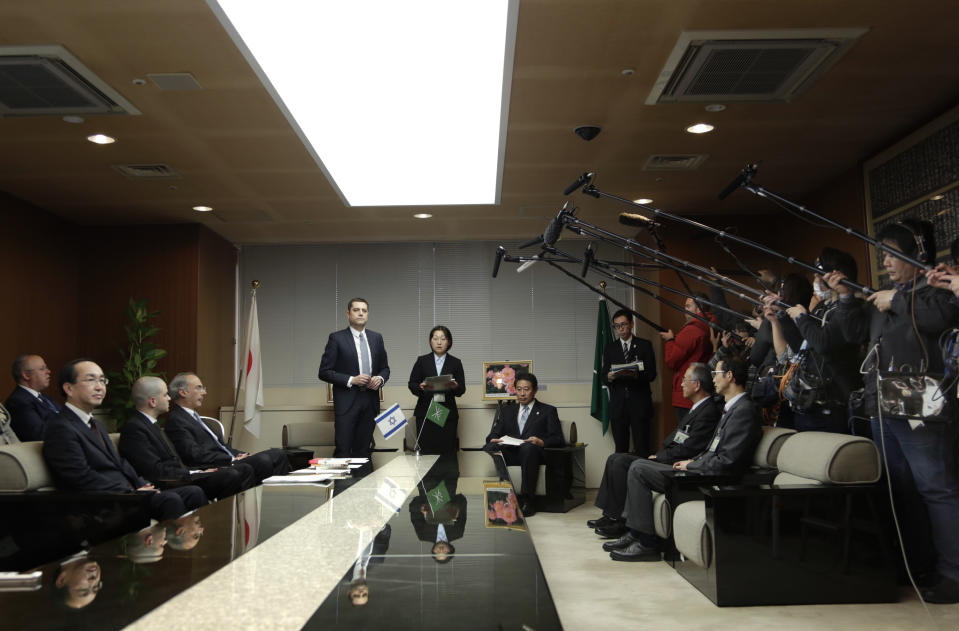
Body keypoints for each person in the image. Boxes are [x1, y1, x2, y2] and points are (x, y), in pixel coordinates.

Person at [851, 220, 959, 603]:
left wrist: (895, 301)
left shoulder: (936, 290)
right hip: (884, 402)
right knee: (901, 491)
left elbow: (938, 319)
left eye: (892, 254)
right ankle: (915, 565)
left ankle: (953, 574)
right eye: (882, 255)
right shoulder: (888, 295)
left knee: (936, 488)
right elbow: (867, 346)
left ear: (917, 254)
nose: (886, 262)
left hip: (922, 403)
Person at [604, 357, 761, 561]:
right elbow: (711, 450)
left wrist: (693, 464)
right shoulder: (731, 409)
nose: (712, 380)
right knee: (636, 465)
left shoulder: (744, 411)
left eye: (716, 374)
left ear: (729, 376)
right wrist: (693, 461)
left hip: (711, 480)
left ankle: (647, 542)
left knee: (638, 469)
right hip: (701, 469)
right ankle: (635, 533)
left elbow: (727, 461)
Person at [42, 359, 207, 522]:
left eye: (102, 380)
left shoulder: (95, 424)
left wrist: (141, 484)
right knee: (169, 500)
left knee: (194, 492)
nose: (100, 387)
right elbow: (80, 477)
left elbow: (119, 462)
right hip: (104, 501)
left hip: (126, 493)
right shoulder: (61, 427)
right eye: (91, 380)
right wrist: (130, 491)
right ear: (69, 388)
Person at [590, 362, 722, 538]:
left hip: (676, 464)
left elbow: (690, 448)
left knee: (623, 462)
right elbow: (676, 440)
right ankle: (612, 515)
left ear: (697, 385)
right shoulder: (695, 410)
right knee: (615, 458)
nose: (681, 384)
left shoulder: (708, 412)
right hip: (667, 457)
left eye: (684, 380)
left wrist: (659, 458)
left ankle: (621, 522)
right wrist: (659, 455)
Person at [119, 376, 255, 501]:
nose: (169, 399)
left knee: (242, 469)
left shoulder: (150, 424)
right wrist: (194, 472)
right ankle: (222, 519)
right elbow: (155, 471)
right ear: (153, 401)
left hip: (182, 475)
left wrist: (197, 472)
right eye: (165, 395)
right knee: (230, 475)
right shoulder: (134, 428)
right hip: (170, 482)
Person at [784, 247, 866, 433]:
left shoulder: (850, 309)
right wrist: (781, 316)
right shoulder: (822, 306)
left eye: (819, 275)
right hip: (808, 397)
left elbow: (822, 344)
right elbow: (802, 346)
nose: (816, 279)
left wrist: (802, 319)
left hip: (835, 399)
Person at [164, 372, 289, 482]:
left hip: (226, 459)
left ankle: (278, 494)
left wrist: (240, 454)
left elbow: (221, 446)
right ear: (183, 392)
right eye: (199, 388)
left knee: (278, 453)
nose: (204, 392)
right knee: (263, 460)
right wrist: (230, 458)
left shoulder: (195, 418)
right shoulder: (177, 420)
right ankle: (263, 500)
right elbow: (194, 455)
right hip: (215, 465)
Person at [483, 372, 563, 517]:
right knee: (490, 446)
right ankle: (505, 494)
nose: (522, 394)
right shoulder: (507, 411)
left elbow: (558, 438)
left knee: (528, 448)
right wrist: (494, 439)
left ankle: (528, 500)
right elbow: (494, 433)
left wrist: (541, 441)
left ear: (535, 390)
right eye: (519, 389)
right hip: (512, 453)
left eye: (526, 389)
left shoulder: (548, 410)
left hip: (534, 454)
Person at [318, 297, 390, 458]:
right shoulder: (336, 338)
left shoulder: (376, 338)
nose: (360, 313)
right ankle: (342, 484)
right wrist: (352, 380)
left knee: (363, 452)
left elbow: (385, 368)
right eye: (356, 310)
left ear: (368, 314)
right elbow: (324, 371)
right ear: (348, 314)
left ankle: (363, 482)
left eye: (364, 311)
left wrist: (380, 379)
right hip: (347, 402)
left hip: (370, 401)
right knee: (343, 451)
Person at [602, 309, 657, 455]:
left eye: (623, 324)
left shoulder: (645, 345)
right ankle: (621, 477)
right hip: (618, 405)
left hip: (639, 403)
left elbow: (652, 374)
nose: (620, 328)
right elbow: (603, 375)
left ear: (631, 324)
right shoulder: (610, 348)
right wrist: (609, 376)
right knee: (620, 449)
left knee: (642, 448)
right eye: (616, 326)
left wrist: (635, 374)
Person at [407, 325, 466, 455]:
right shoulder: (422, 361)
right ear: (430, 341)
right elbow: (412, 384)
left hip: (448, 413)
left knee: (447, 452)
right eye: (435, 338)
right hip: (426, 411)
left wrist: (455, 386)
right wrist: (420, 387)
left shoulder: (456, 362)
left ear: (449, 342)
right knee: (426, 452)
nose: (439, 342)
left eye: (443, 339)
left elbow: (462, 389)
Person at [659, 295, 715, 423]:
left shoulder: (692, 330)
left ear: (699, 309)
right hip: (704, 389)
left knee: (685, 434)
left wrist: (670, 341)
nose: (684, 309)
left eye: (688, 306)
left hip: (688, 392)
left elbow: (671, 360)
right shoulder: (712, 325)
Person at [6, 354, 60, 441]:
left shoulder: (47, 398)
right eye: (42, 369)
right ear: (26, 375)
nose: (48, 371)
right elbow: (40, 434)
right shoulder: (18, 402)